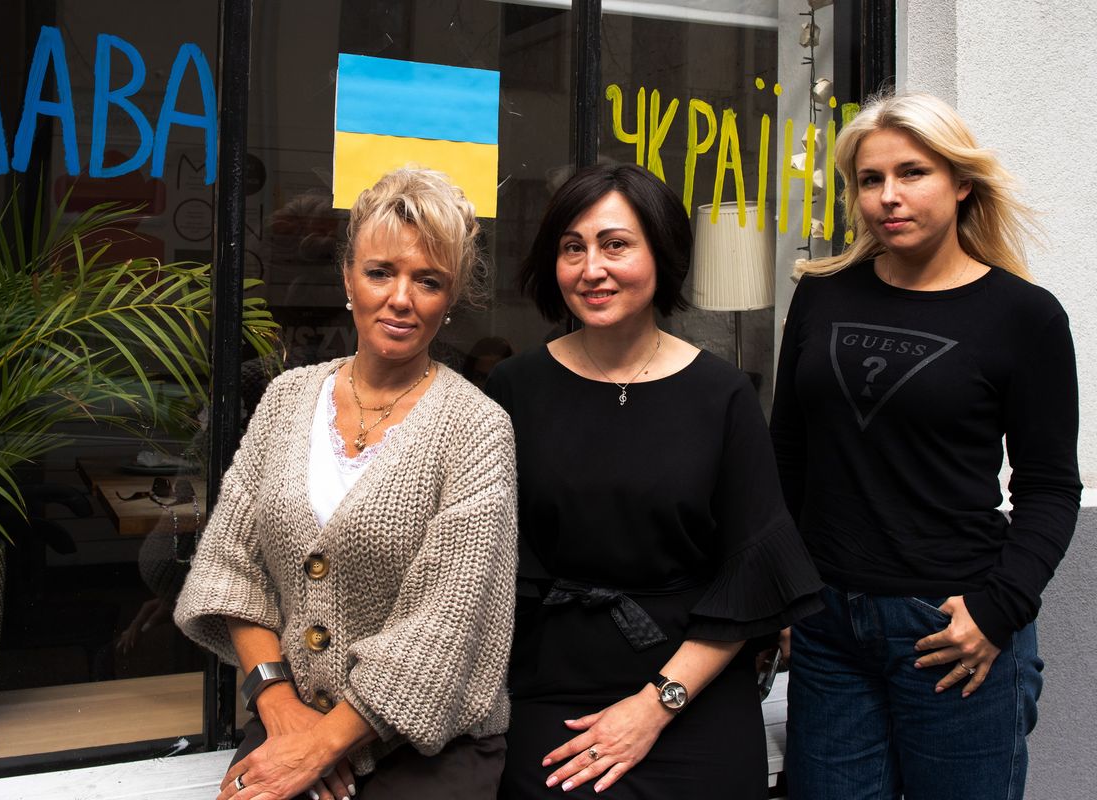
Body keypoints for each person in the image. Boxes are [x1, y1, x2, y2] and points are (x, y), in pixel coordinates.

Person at [770, 92, 1081, 800]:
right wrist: (789, 593)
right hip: (830, 628)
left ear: (961, 182)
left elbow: (1050, 487)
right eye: (870, 179)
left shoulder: (1023, 316)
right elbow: (787, 452)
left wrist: (999, 609)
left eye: (912, 173)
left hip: (951, 629)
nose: (888, 197)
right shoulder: (823, 295)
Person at [174, 168, 518, 800]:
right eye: (381, 271)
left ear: (452, 298)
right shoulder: (285, 399)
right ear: (348, 277)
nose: (401, 299)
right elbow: (230, 569)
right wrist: (281, 710)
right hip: (287, 717)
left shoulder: (478, 429)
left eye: (429, 280)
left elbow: (444, 628)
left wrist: (324, 744)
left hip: (426, 748)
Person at [486, 163, 823, 798]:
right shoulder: (512, 390)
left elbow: (750, 573)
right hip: (549, 685)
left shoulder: (722, 394)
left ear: (661, 253)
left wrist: (655, 705)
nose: (592, 269)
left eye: (616, 244)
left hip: (691, 687)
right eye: (572, 247)